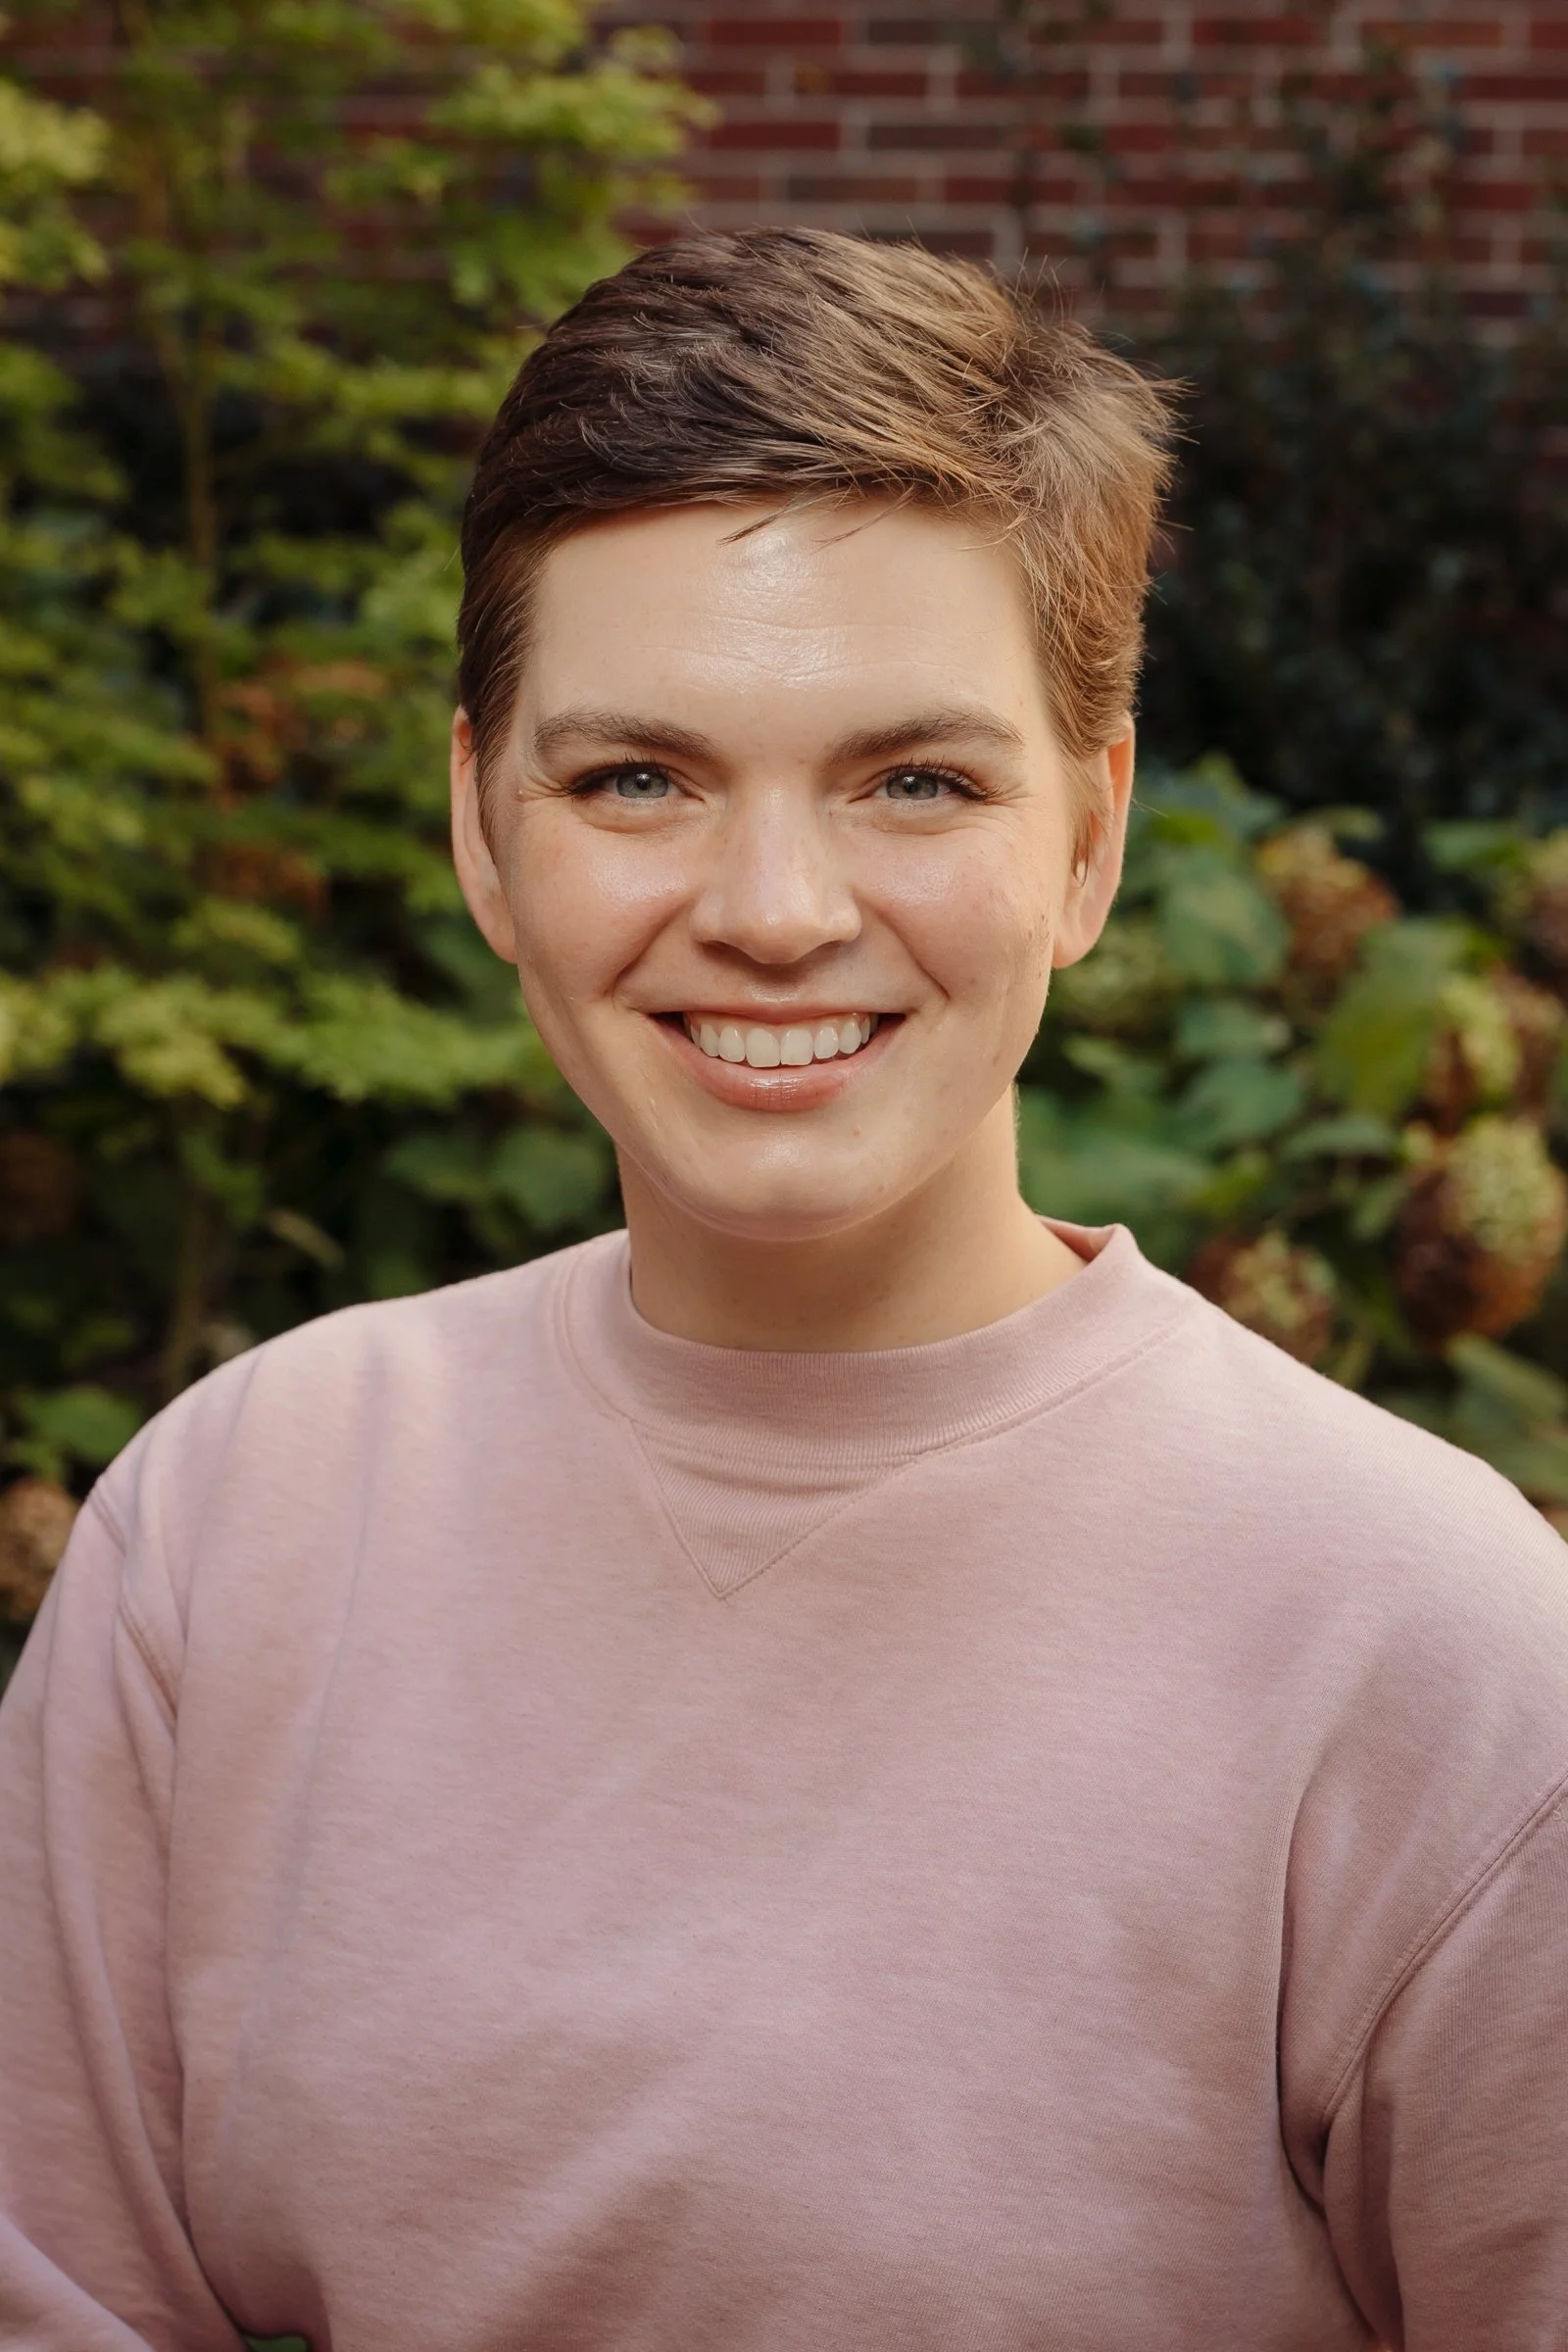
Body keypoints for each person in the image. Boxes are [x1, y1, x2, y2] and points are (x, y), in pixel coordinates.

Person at [1, 228, 1565, 2352]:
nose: (768, 910)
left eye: (912, 781)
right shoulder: (238, 1527)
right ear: (482, 828)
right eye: (634, 777)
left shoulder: (1427, 1649)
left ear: (1088, 843)